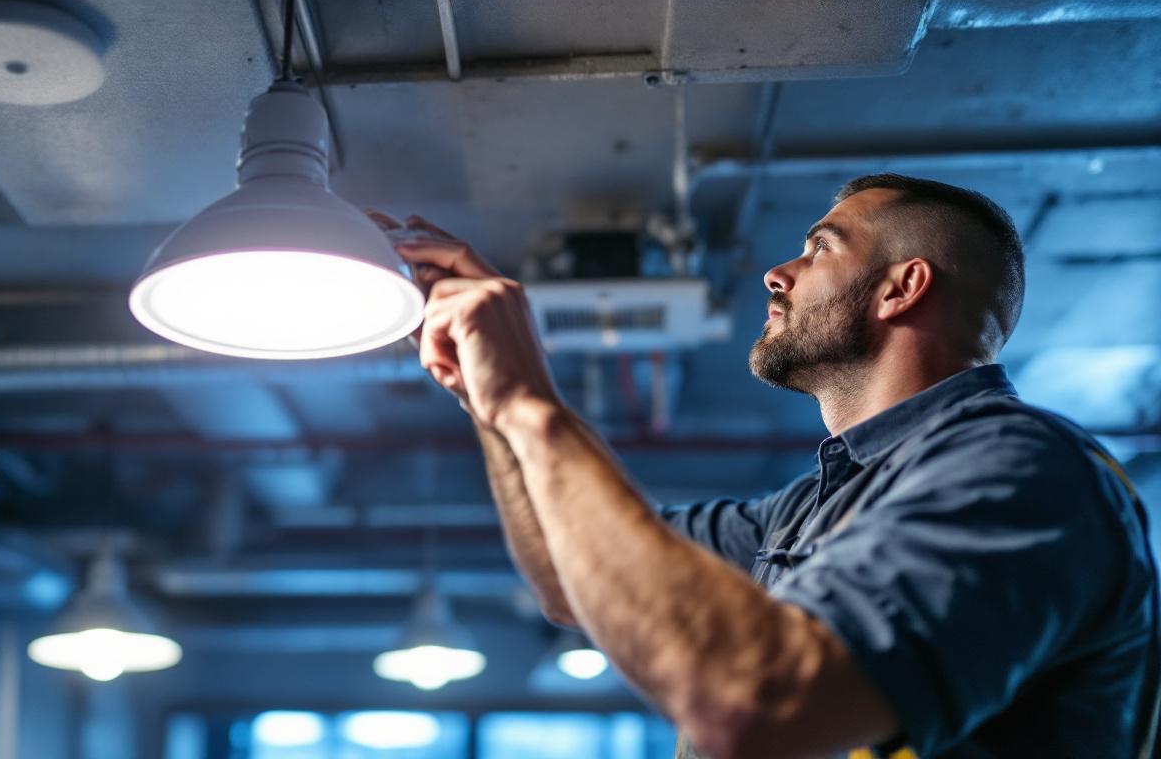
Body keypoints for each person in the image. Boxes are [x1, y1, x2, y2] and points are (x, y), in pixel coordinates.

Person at [367, 174, 1158, 759]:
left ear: (901, 289)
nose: (777, 274)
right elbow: (568, 580)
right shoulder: (804, 511)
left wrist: (532, 403)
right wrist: (487, 396)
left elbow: (760, 705)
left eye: (819, 249)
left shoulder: (1024, 472)